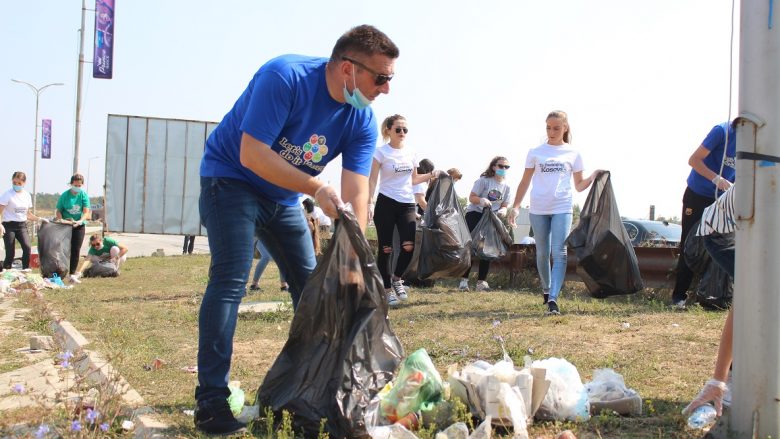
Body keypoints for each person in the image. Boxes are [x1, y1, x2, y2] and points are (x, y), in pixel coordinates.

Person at [194, 25, 399, 435]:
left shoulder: (360, 117)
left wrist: (353, 257)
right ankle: (211, 401)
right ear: (347, 68)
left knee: (315, 290)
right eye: (381, 78)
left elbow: (357, 190)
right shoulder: (284, 78)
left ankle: (314, 390)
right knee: (232, 279)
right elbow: (251, 154)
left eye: (390, 79)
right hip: (231, 180)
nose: (386, 89)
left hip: (283, 199)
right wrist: (314, 187)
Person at [507, 111, 600, 316]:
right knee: (542, 253)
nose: (551, 132)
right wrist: (515, 206)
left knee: (559, 253)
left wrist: (593, 176)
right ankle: (546, 289)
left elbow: (579, 185)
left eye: (556, 128)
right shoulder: (535, 152)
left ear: (565, 128)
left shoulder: (573, 153)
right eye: (548, 127)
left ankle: (553, 299)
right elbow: (525, 182)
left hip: (562, 207)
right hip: (538, 208)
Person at [368, 114, 440, 306]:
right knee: (386, 248)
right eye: (398, 129)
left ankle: (397, 278)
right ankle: (386, 290)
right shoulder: (380, 153)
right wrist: (369, 203)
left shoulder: (411, 152)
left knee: (408, 246)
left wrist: (432, 175)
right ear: (388, 130)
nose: (402, 133)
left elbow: (414, 180)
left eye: (405, 130)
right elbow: (372, 180)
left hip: (406, 203)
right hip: (385, 202)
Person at [683, 185, 736, 418]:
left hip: (748, 224)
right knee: (755, 294)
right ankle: (725, 381)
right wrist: (719, 379)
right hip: (721, 231)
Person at [671, 121, 736, 309]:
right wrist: (717, 179)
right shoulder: (722, 131)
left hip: (723, 200)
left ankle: (715, 297)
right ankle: (679, 297)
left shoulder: (756, 141)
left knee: (723, 244)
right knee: (689, 244)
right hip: (698, 195)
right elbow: (694, 160)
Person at [459, 156, 512, 292]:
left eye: (506, 167)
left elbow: (505, 204)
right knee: (470, 247)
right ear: (494, 167)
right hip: (475, 215)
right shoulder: (484, 181)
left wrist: (504, 210)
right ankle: (464, 281)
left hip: (491, 218)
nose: (503, 169)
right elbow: (472, 197)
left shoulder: (506, 187)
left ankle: (481, 282)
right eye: (501, 166)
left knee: (488, 248)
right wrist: (481, 200)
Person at [0, 171, 48, 271]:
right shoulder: (7, 194)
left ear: (24, 183)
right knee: (10, 252)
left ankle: (25, 269)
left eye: (19, 183)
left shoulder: (26, 195)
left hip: (21, 225)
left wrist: (39, 219)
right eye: (14, 183)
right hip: (9, 226)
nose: (16, 185)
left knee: (27, 247)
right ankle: (6, 271)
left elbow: (28, 214)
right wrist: (0, 224)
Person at [55, 174, 91, 284]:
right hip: (66, 224)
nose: (77, 187)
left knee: (76, 250)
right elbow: (58, 211)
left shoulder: (83, 195)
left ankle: (72, 274)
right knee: (63, 250)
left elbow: (86, 211)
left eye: (79, 185)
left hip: (78, 225)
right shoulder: (64, 196)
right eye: (75, 185)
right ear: (71, 184)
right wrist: (61, 220)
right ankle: (60, 273)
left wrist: (80, 220)